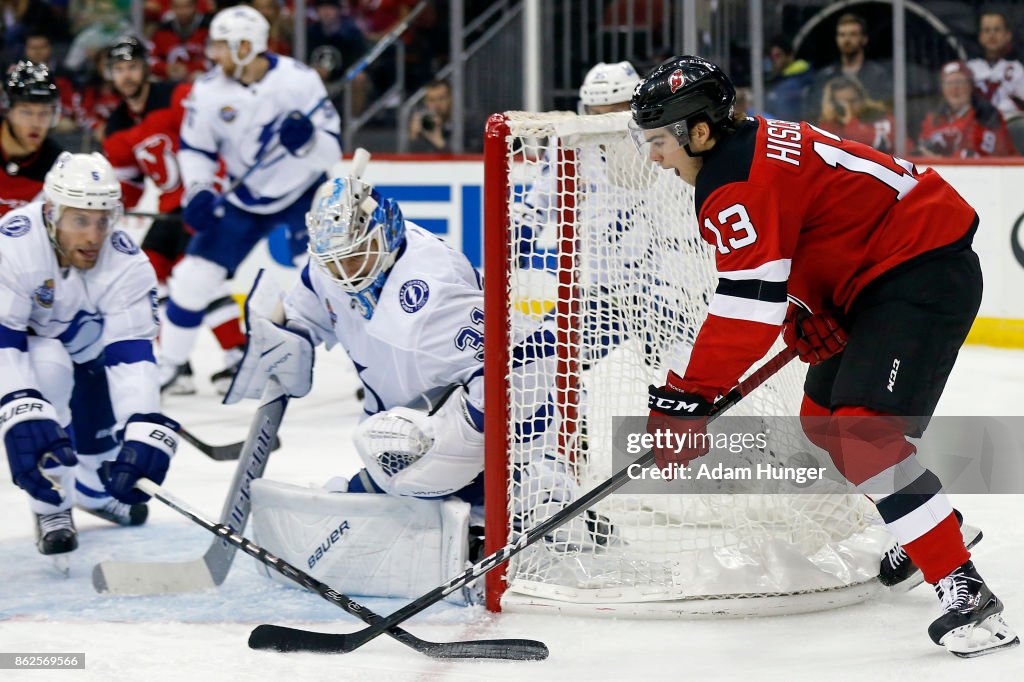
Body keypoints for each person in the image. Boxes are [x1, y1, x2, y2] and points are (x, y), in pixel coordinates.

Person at [630, 55, 1017, 657]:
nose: (654, 156)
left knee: (864, 434)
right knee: (820, 419)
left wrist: (689, 393)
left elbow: (745, 305)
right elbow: (807, 229)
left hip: (920, 271)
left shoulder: (732, 180)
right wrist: (807, 308)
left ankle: (967, 593)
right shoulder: (744, 148)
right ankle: (937, 528)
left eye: (659, 140)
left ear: (699, 132)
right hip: (879, 273)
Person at [223, 159, 599, 602]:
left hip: (503, 420)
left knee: (390, 445)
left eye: (354, 258)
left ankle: (538, 495)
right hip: (415, 419)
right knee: (383, 452)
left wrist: (469, 456)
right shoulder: (333, 262)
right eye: (334, 263)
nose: (345, 275)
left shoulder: (433, 291)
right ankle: (470, 499)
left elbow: (517, 373)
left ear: (384, 232)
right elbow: (309, 302)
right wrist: (293, 335)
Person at [0, 152, 181, 561]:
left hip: (85, 352)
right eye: (81, 220)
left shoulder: (126, 261)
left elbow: (132, 353)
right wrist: (19, 408)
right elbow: (3, 340)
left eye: (103, 220)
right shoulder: (13, 245)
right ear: (51, 213)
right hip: (24, 355)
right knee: (47, 373)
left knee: (107, 459)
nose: (95, 235)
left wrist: (143, 423)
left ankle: (89, 490)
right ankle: (53, 507)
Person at [162, 4, 342, 392]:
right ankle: (168, 365)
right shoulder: (207, 92)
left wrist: (308, 141)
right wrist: (199, 190)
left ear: (247, 46)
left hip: (303, 192)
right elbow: (196, 150)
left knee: (326, 279)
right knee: (192, 279)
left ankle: (365, 367)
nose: (213, 55)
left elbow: (331, 152)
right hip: (243, 197)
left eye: (222, 46)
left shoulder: (300, 80)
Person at [102, 35, 246, 395]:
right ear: (111, 75)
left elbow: (214, 136)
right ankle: (177, 363)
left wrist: (218, 186)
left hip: (204, 200)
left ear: (145, 68)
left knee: (195, 275)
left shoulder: (177, 96)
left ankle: (237, 355)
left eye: (132, 66)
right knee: (151, 275)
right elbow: (131, 182)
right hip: (169, 210)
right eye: (119, 69)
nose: (127, 75)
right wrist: (113, 206)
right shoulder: (116, 126)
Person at [1, 61, 66, 218]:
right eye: (26, 112)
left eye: (44, 113)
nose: (36, 123)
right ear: (8, 111)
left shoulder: (59, 166)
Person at [918, 61, 1016, 158]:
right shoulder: (934, 118)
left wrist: (940, 160)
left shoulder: (985, 115)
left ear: (970, 86)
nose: (955, 88)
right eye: (949, 83)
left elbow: (979, 157)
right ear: (942, 88)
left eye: (959, 82)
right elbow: (921, 150)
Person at [803, 13, 891, 120]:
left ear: (864, 39)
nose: (847, 40)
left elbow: (887, 110)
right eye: (842, 35)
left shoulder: (878, 76)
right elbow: (813, 113)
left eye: (853, 34)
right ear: (837, 39)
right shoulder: (824, 77)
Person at [968, 10, 1024, 121]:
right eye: (987, 30)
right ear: (980, 37)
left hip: (1010, 124)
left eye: (997, 29)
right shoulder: (969, 68)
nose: (992, 35)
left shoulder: (1018, 68)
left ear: (1008, 35)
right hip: (976, 126)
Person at [817, 74, 895, 152]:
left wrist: (851, 123)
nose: (848, 107)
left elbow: (871, 148)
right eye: (841, 104)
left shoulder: (881, 117)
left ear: (862, 98)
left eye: (852, 101)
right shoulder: (827, 125)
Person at [149, 0, 211, 82]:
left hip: (196, 78)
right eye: (177, 7)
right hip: (168, 77)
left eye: (187, 7)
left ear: (195, 6)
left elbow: (213, 59)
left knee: (199, 76)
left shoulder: (208, 28)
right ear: (171, 7)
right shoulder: (162, 29)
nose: (182, 11)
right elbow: (150, 58)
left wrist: (189, 69)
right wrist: (166, 68)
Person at [764, 35, 813, 122]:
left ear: (790, 56)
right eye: (772, 57)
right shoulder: (777, 79)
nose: (774, 60)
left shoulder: (801, 78)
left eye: (778, 55)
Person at [408, 79, 454, 153]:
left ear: (450, 99)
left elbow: (469, 161)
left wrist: (439, 142)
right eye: (432, 100)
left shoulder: (463, 125)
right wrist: (413, 137)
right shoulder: (422, 125)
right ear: (425, 102)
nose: (436, 105)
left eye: (441, 99)